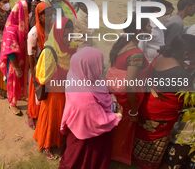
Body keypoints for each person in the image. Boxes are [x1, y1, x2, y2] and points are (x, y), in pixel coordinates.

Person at [133, 35, 193, 169]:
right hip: (162, 116)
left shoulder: (160, 57)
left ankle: (137, 161)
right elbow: (189, 101)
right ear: (186, 53)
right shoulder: (181, 74)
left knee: (143, 137)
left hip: (147, 107)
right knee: (155, 143)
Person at [59, 47, 122, 169]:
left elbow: (99, 88)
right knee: (83, 159)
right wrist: (117, 115)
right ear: (87, 67)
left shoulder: (75, 74)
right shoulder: (84, 96)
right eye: (99, 64)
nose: (103, 67)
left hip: (77, 124)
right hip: (87, 134)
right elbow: (99, 121)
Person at [106, 14, 151, 166]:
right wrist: (133, 109)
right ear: (139, 30)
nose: (151, 28)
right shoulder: (135, 54)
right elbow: (130, 84)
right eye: (148, 25)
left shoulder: (121, 42)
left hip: (117, 95)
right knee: (123, 130)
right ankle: (116, 156)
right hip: (127, 99)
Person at [33, 18, 74, 159]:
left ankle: (56, 142)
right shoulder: (50, 52)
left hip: (63, 93)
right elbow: (42, 78)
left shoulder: (67, 48)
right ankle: (46, 144)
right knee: (50, 119)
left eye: (70, 35)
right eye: (65, 35)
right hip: (52, 95)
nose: (68, 39)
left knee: (60, 120)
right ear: (57, 34)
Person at [0, 0, 29, 116]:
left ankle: (19, 96)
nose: (27, 13)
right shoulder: (11, 28)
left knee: (20, 81)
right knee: (12, 82)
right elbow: (10, 52)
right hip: (13, 62)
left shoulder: (21, 25)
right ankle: (12, 104)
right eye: (25, 11)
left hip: (21, 58)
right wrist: (16, 68)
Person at [27, 2, 49, 129]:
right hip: (38, 68)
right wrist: (35, 75)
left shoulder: (52, 28)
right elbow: (30, 55)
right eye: (45, 14)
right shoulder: (33, 33)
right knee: (38, 92)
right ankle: (35, 115)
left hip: (49, 67)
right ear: (39, 16)